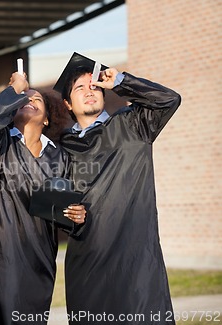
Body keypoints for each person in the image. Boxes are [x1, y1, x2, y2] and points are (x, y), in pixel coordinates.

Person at [54, 52, 181, 324]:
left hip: (134, 260)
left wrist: (122, 81)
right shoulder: (60, 150)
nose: (89, 91)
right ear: (67, 103)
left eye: (94, 85)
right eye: (80, 88)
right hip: (87, 264)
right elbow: (55, 208)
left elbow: (169, 100)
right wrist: (68, 217)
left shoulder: (132, 125)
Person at [0, 71, 86, 325]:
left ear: (47, 118)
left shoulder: (60, 157)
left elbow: (59, 212)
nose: (30, 100)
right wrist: (14, 89)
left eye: (37, 100)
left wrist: (74, 215)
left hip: (39, 256)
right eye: (23, 100)